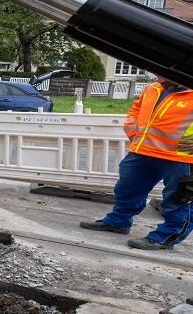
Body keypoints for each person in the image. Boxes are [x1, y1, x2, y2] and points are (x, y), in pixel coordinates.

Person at [80, 75, 193, 250]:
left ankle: (166, 236)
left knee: (179, 199)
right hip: (143, 151)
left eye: (164, 75)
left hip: (181, 157)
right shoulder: (153, 88)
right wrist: (134, 133)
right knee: (127, 188)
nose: (159, 79)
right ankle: (118, 221)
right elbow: (136, 110)